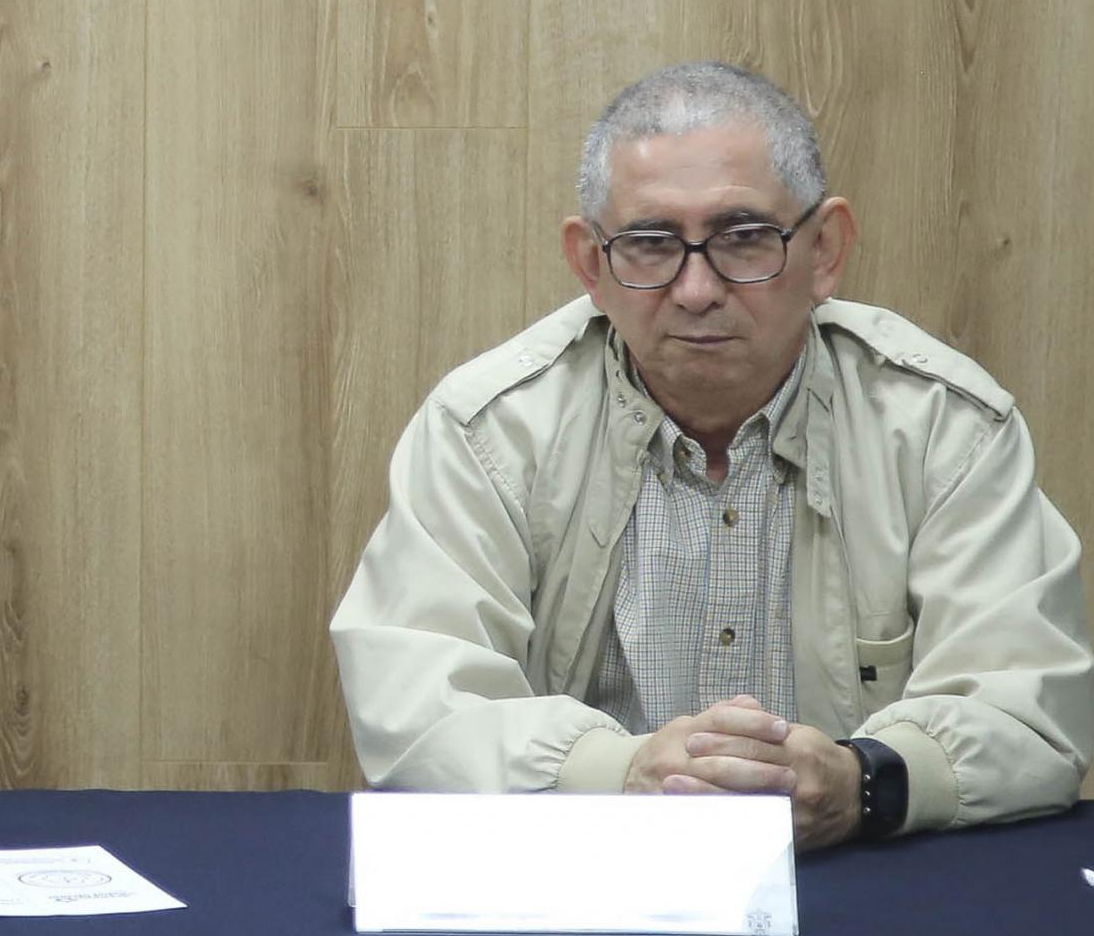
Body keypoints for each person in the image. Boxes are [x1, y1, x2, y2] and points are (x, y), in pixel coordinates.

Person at [333, 62, 1092, 844]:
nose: (696, 289)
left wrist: (859, 779)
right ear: (592, 264)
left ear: (825, 249)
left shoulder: (942, 426)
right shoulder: (488, 430)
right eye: (651, 243)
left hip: (859, 888)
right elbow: (418, 704)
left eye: (742, 237)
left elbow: (1029, 711)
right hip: (579, 882)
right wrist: (622, 773)